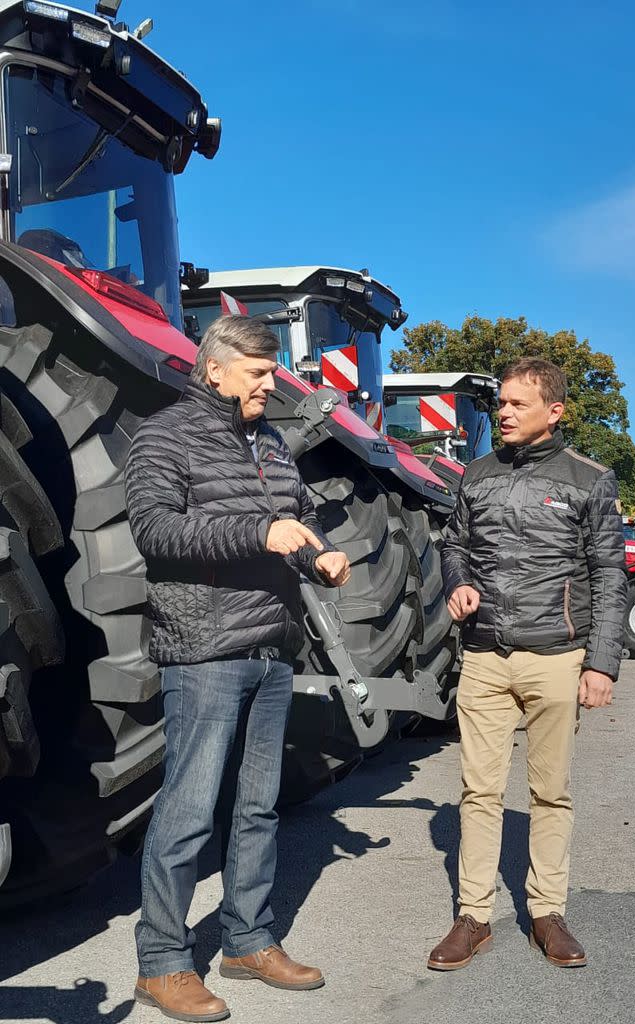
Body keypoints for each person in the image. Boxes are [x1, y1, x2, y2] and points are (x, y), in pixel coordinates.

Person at [125, 316, 351, 1022]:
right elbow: (155, 531)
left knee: (258, 806)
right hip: (204, 650)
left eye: (271, 370)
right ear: (215, 369)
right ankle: (162, 962)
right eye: (256, 372)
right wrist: (257, 530)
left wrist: (320, 554)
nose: (268, 383)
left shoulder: (272, 444)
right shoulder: (163, 436)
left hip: (271, 648)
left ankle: (247, 940)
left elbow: (299, 519)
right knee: (189, 810)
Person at [429, 357, 627, 971]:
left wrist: (603, 663)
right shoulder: (475, 475)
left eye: (517, 404)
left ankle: (546, 912)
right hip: (485, 657)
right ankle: (473, 917)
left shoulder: (589, 480)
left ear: (555, 411)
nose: (504, 413)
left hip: (558, 658)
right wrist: (457, 582)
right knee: (478, 791)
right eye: (501, 404)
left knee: (550, 792)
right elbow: (453, 546)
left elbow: (609, 573)